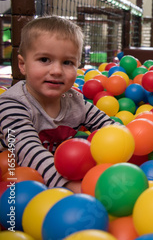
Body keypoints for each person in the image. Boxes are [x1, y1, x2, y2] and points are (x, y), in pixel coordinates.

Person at [0, 16, 116, 192]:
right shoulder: (12, 104)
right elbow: (28, 150)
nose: (56, 71)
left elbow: (110, 128)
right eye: (45, 59)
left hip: (56, 171)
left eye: (67, 62)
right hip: (14, 177)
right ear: (23, 65)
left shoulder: (74, 100)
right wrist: (68, 185)